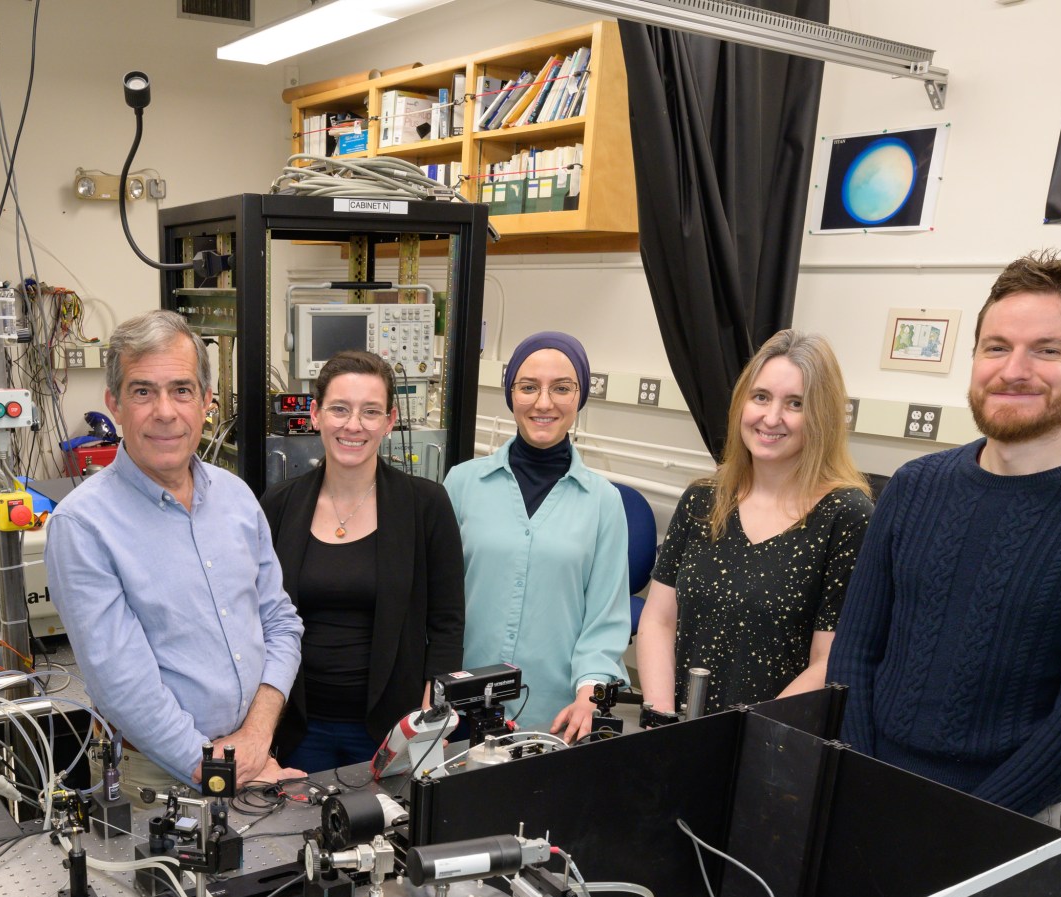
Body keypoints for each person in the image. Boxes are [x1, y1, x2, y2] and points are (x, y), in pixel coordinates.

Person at [828, 251, 1061, 822]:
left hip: (1006, 816)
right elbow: (856, 651)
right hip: (869, 785)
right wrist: (864, 780)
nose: (1014, 370)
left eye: (1047, 350)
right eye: (997, 347)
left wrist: (965, 827)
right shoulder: (913, 486)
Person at [45, 310, 304, 789]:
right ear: (114, 404)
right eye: (143, 391)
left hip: (257, 755)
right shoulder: (83, 526)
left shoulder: (236, 497)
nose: (165, 411)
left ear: (206, 401)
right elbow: (124, 686)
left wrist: (255, 738)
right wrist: (220, 770)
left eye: (182, 390)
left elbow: (281, 622)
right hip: (162, 779)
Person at [637, 331, 873, 714]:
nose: (772, 417)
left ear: (822, 417)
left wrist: (747, 737)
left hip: (774, 739)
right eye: (761, 397)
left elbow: (828, 660)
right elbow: (660, 618)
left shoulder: (846, 517)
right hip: (682, 727)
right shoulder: (702, 500)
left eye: (795, 403)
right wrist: (662, 716)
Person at [260, 349, 465, 773]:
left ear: (390, 422)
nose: (353, 425)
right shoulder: (279, 505)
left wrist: (428, 717)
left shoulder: (425, 505)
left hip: (388, 731)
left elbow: (446, 624)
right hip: (296, 727)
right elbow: (255, 619)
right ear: (315, 415)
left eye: (370, 412)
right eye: (339, 409)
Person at [444, 331, 631, 741]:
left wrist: (590, 697)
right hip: (459, 706)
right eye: (528, 387)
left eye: (562, 388)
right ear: (510, 394)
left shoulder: (604, 502)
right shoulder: (462, 484)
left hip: (555, 714)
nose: (544, 403)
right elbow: (435, 604)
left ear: (579, 397)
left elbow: (605, 621)